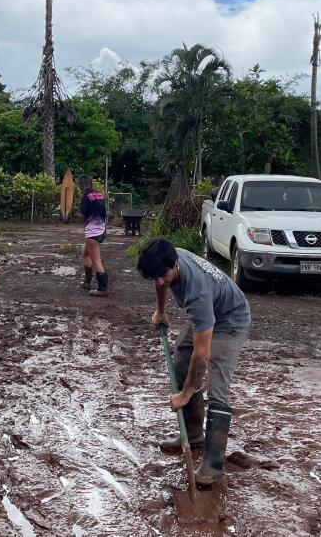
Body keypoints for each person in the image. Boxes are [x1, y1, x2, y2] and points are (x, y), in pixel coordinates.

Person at [137, 238, 251, 486]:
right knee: (181, 362)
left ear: (175, 265)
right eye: (154, 276)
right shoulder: (168, 257)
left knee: (217, 386)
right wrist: (161, 310)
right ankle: (192, 436)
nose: (160, 281)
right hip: (210, 312)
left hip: (230, 321)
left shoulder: (196, 292)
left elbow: (202, 354)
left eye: (163, 275)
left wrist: (186, 393)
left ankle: (212, 466)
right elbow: (159, 281)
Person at [77, 175, 109, 296]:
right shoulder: (99, 194)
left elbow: (83, 212)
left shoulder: (86, 196)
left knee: (96, 261)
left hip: (92, 231)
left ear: (81, 185)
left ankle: (102, 289)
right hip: (101, 228)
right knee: (85, 253)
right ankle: (87, 282)